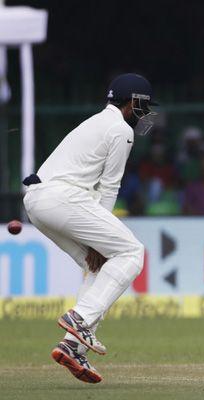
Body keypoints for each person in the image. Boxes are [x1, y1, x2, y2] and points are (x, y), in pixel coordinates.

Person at [22, 73, 157, 383]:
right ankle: (80, 319)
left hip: (39, 202)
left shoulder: (97, 122)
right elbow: (110, 187)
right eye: (144, 107)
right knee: (131, 252)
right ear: (133, 102)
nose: (146, 115)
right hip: (61, 198)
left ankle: (72, 346)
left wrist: (98, 246)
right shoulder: (121, 130)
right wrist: (99, 241)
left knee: (97, 268)